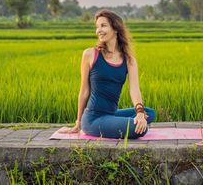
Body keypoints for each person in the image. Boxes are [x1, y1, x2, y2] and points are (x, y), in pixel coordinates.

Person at [61, 10, 155, 138]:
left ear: (115, 28)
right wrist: (78, 123)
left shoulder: (129, 60)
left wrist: (139, 112)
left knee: (149, 112)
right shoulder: (90, 54)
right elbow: (84, 91)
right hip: (93, 118)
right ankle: (114, 123)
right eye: (97, 27)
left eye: (103, 26)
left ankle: (115, 121)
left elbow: (134, 89)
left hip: (110, 114)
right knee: (140, 129)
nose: (98, 30)